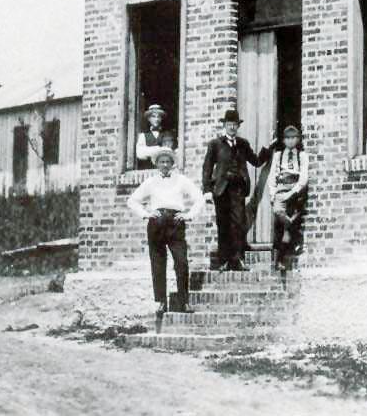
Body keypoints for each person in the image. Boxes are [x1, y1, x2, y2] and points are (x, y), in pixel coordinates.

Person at [127, 147, 204, 315]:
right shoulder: (150, 182)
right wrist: (146, 214)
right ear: (156, 164)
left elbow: (199, 198)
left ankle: (184, 302)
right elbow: (132, 201)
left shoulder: (181, 180)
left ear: (172, 164)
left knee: (181, 262)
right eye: (161, 162)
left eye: (168, 162)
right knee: (158, 262)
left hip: (175, 223)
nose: (165, 165)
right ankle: (161, 302)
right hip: (157, 223)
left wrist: (189, 215)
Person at [202, 108, 265, 271]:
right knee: (223, 224)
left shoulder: (243, 144)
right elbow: (207, 167)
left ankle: (238, 259)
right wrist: (207, 190)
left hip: (237, 189)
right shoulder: (215, 144)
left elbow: (256, 161)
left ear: (238, 126)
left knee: (238, 223)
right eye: (229, 124)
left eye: (235, 124)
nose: (232, 127)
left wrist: (269, 149)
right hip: (221, 190)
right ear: (225, 126)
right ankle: (224, 261)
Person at [264, 125, 309, 272]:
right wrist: (273, 193)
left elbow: (303, 178)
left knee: (287, 230)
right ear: (283, 140)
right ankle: (291, 222)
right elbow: (272, 176)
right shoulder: (278, 155)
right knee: (278, 213)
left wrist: (294, 192)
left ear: (298, 139)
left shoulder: (302, 155)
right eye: (287, 138)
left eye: (293, 138)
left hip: (295, 191)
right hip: (281, 190)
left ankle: (280, 261)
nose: (290, 141)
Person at [135, 104, 176, 169]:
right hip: (148, 170)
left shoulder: (167, 134)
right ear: (149, 119)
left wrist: (149, 150)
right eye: (153, 117)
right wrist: (158, 149)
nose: (156, 119)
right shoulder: (143, 136)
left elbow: (169, 151)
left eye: (158, 117)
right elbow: (140, 153)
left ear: (161, 118)